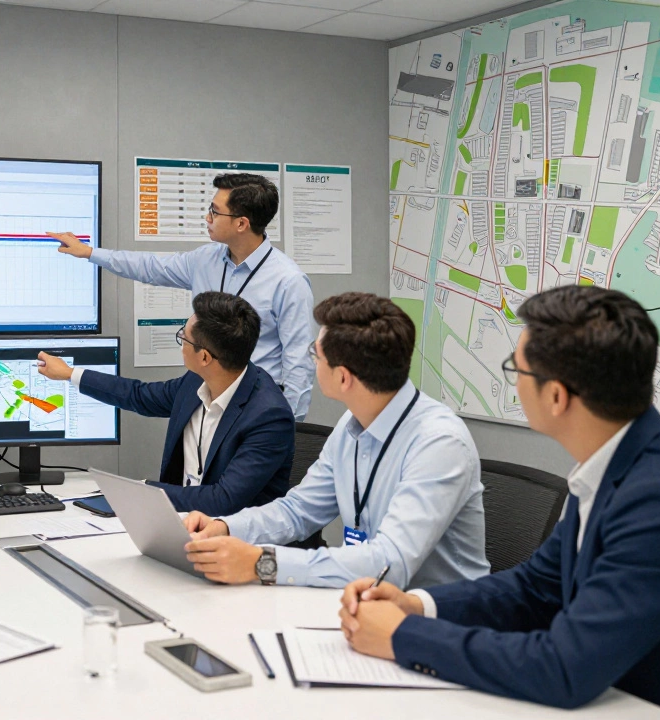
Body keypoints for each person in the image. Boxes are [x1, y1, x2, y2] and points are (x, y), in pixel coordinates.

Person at [339, 286, 660, 720]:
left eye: (516, 370)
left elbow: (565, 667)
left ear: (557, 396)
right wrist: (419, 606)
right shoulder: (621, 461)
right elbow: (536, 588)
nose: (514, 381)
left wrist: (404, 637)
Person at [183, 292, 488, 588]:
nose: (312, 361)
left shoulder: (438, 443)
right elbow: (299, 510)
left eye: (316, 354)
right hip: (362, 604)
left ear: (343, 377)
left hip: (440, 620)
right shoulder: (351, 425)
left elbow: (388, 564)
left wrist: (260, 562)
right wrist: (227, 527)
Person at [48, 173, 315, 418]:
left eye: (215, 212)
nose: (207, 218)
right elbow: (150, 267)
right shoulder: (205, 260)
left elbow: (299, 366)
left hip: (256, 409)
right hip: (206, 397)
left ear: (242, 223)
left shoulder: (288, 281)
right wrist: (90, 253)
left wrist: (285, 429)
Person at [38, 291, 293, 516]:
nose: (181, 341)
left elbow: (223, 500)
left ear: (204, 357)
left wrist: (145, 490)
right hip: (182, 523)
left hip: (236, 545)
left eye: (184, 336)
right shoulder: (195, 382)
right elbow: (138, 395)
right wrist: (70, 374)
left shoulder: (268, 416)